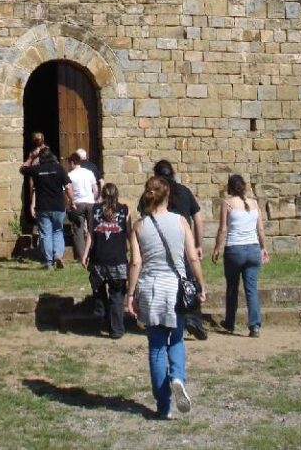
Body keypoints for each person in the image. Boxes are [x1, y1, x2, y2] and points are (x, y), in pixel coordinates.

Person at [126, 175, 206, 420]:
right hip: (175, 288)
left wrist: (130, 294)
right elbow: (192, 257)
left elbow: (136, 262)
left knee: (157, 347)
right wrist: (201, 284)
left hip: (151, 288)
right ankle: (178, 378)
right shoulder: (181, 221)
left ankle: (163, 406)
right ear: (168, 195)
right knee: (177, 338)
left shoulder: (138, 227)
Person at [151, 160, 208, 340]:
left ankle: (169, 320)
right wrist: (198, 244)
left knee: (165, 281)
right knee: (189, 281)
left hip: (161, 244)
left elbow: (145, 215)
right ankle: (192, 318)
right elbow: (198, 219)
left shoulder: (154, 193)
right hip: (184, 242)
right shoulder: (184, 191)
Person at [211, 173, 269, 336]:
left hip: (234, 249)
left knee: (232, 287)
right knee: (251, 288)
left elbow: (223, 229)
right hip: (252, 248)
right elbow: (261, 229)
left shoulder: (228, 204)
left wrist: (217, 247)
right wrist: (263, 248)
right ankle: (255, 325)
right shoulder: (254, 203)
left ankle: (230, 322)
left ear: (230, 188)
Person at [81, 182, 130, 338]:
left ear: (102, 194)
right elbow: (129, 233)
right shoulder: (124, 210)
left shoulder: (94, 210)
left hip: (99, 258)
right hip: (118, 259)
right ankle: (116, 329)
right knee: (117, 295)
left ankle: (101, 314)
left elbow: (91, 234)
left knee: (99, 289)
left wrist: (85, 253)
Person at [20, 146, 73, 270]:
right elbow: (68, 187)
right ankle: (58, 255)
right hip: (58, 206)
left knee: (45, 234)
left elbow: (22, 169)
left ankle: (48, 262)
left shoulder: (37, 169)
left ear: (40, 158)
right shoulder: (59, 168)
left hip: (42, 207)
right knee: (58, 231)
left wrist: (31, 157)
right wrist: (71, 200)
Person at [67, 152, 98, 262]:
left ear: (72, 163)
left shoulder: (70, 175)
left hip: (78, 204)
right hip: (90, 203)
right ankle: (94, 253)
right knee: (92, 228)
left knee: (78, 230)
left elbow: (68, 189)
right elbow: (95, 190)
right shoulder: (89, 173)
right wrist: (93, 200)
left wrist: (71, 202)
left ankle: (81, 257)